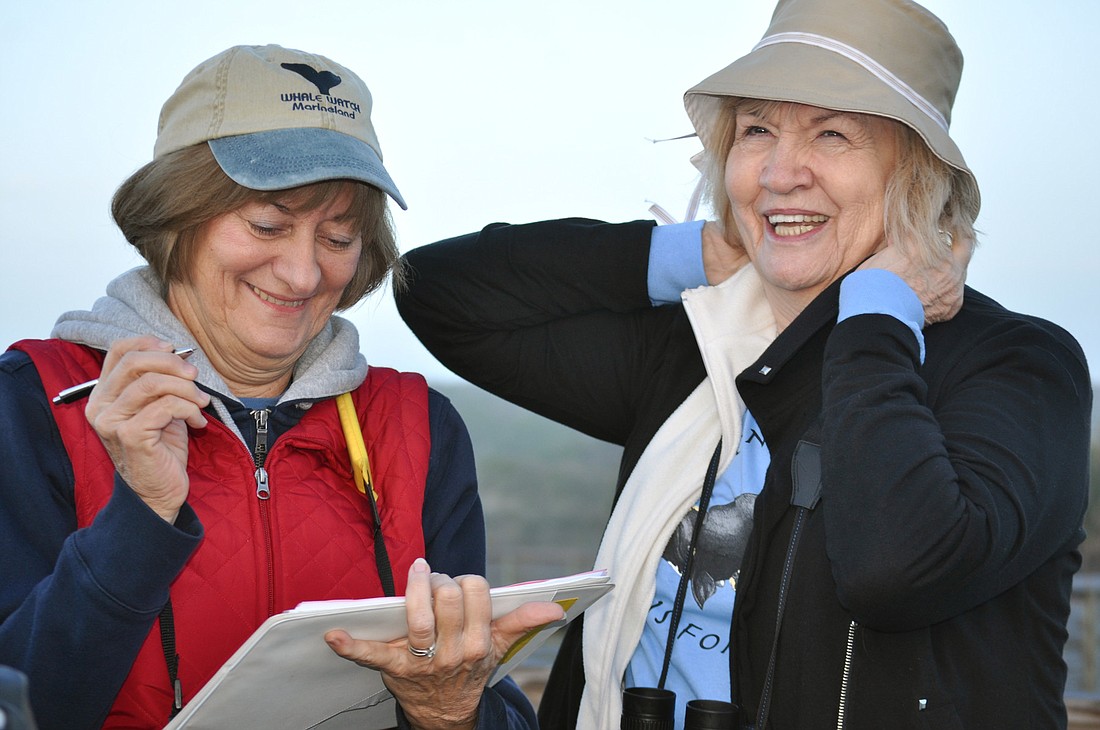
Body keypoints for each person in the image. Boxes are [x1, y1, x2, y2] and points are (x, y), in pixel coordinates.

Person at [394, 0, 1093, 727]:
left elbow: (898, 568)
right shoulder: (697, 345)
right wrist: (686, 252)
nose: (781, 173)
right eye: (757, 129)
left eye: (833, 132)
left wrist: (879, 310)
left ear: (913, 175)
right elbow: (441, 295)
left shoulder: (1016, 365)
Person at [0, 44, 563, 730]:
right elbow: (21, 703)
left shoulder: (419, 424)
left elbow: (493, 706)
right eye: (268, 224)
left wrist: (449, 712)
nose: (302, 275)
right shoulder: (35, 403)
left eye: (338, 236)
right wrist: (141, 514)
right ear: (176, 215)